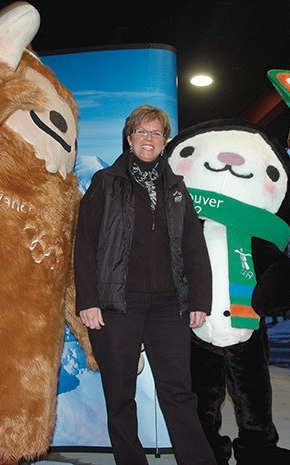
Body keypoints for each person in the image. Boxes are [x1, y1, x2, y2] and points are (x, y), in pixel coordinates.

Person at [74, 104, 217, 465]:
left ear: (165, 141)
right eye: (142, 132)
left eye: (156, 133)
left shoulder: (176, 188)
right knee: (120, 395)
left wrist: (199, 299)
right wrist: (87, 300)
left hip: (168, 306)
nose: (148, 139)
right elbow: (85, 244)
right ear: (129, 138)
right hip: (116, 304)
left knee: (179, 392)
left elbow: (193, 247)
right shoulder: (106, 182)